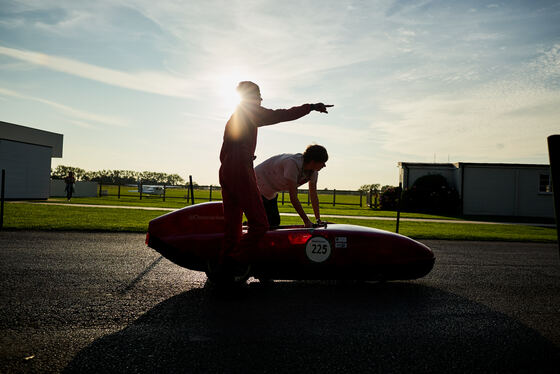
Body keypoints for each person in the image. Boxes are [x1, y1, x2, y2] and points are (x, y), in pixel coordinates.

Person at [219, 81, 332, 269]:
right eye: (259, 98)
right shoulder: (249, 112)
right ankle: (234, 262)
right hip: (240, 169)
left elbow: (224, 151)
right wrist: (310, 107)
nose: (261, 102)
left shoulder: (234, 117)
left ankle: (224, 270)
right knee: (260, 225)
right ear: (253, 98)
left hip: (226, 169)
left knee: (233, 228)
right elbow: (282, 114)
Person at [255, 145, 328, 228]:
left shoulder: (313, 172)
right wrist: (306, 221)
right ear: (313, 161)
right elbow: (293, 197)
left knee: (273, 222)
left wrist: (318, 219)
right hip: (257, 183)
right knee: (263, 223)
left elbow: (313, 196)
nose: (324, 165)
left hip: (271, 191)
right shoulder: (292, 163)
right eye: (322, 162)